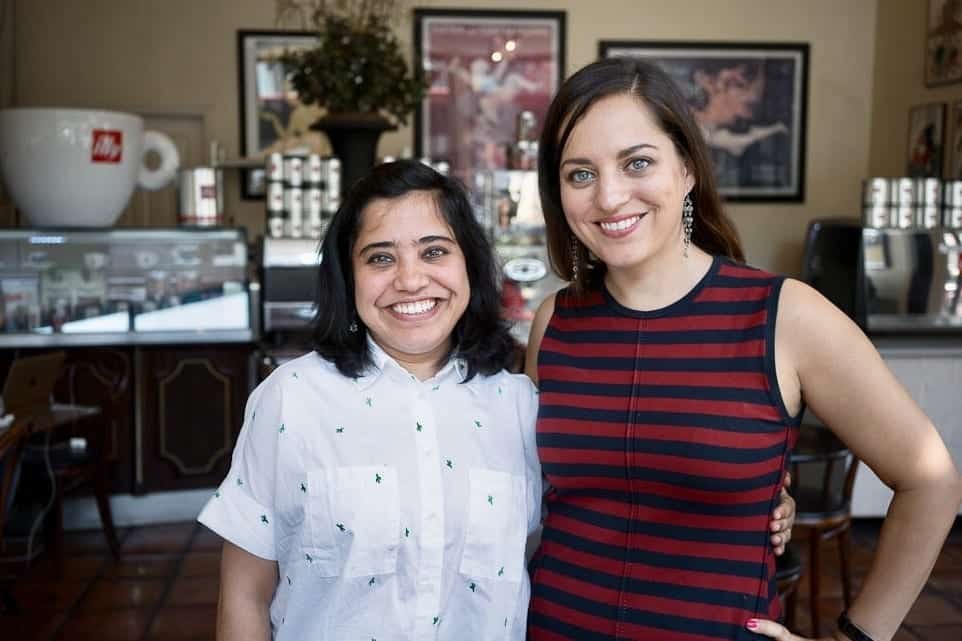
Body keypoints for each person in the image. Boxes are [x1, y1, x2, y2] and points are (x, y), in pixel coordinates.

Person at [197, 158, 794, 640]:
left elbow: (617, 493)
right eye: (380, 258)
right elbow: (245, 596)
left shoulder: (521, 406)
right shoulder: (292, 400)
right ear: (347, 278)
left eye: (434, 251)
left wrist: (757, 499)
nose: (410, 279)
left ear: (469, 266)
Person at [524, 57, 962, 641]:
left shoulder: (784, 316)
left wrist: (857, 638)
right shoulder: (555, 321)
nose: (608, 196)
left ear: (686, 168)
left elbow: (931, 481)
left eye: (637, 163)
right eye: (580, 174)